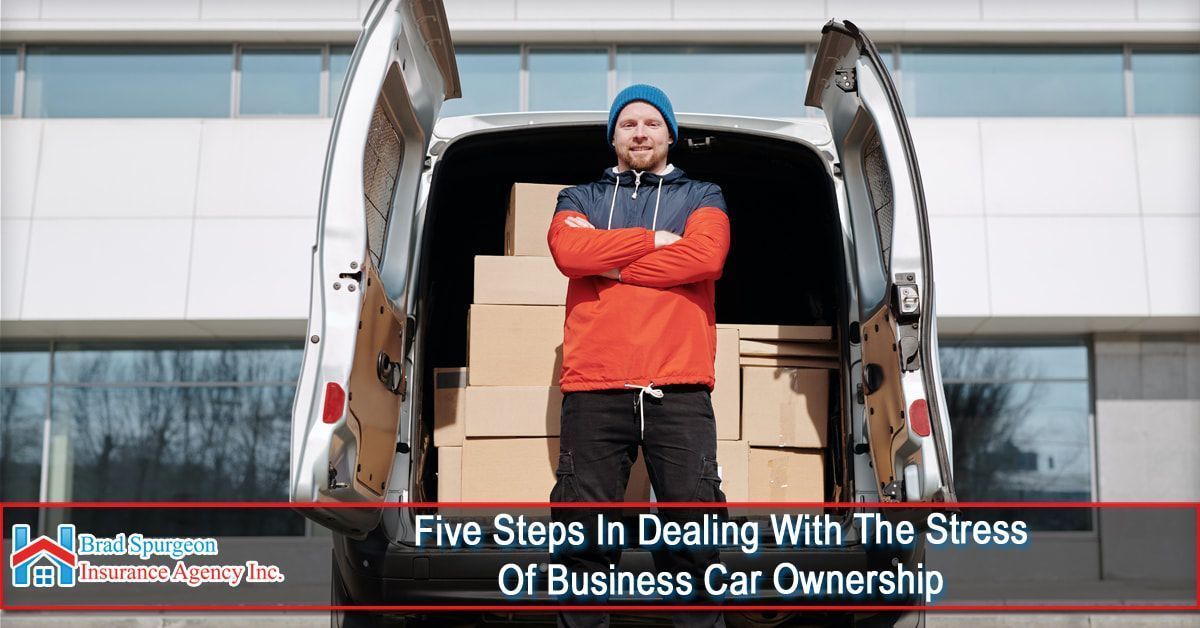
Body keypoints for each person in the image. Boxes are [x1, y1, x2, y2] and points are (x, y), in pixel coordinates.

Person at [546, 84, 731, 628]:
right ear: (613, 136)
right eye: (628, 124)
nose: (641, 132)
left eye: (651, 122)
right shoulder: (577, 198)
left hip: (679, 384)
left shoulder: (704, 194)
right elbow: (569, 251)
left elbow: (707, 255)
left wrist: (611, 264)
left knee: (694, 541)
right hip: (595, 385)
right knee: (582, 541)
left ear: (670, 133)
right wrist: (655, 244)